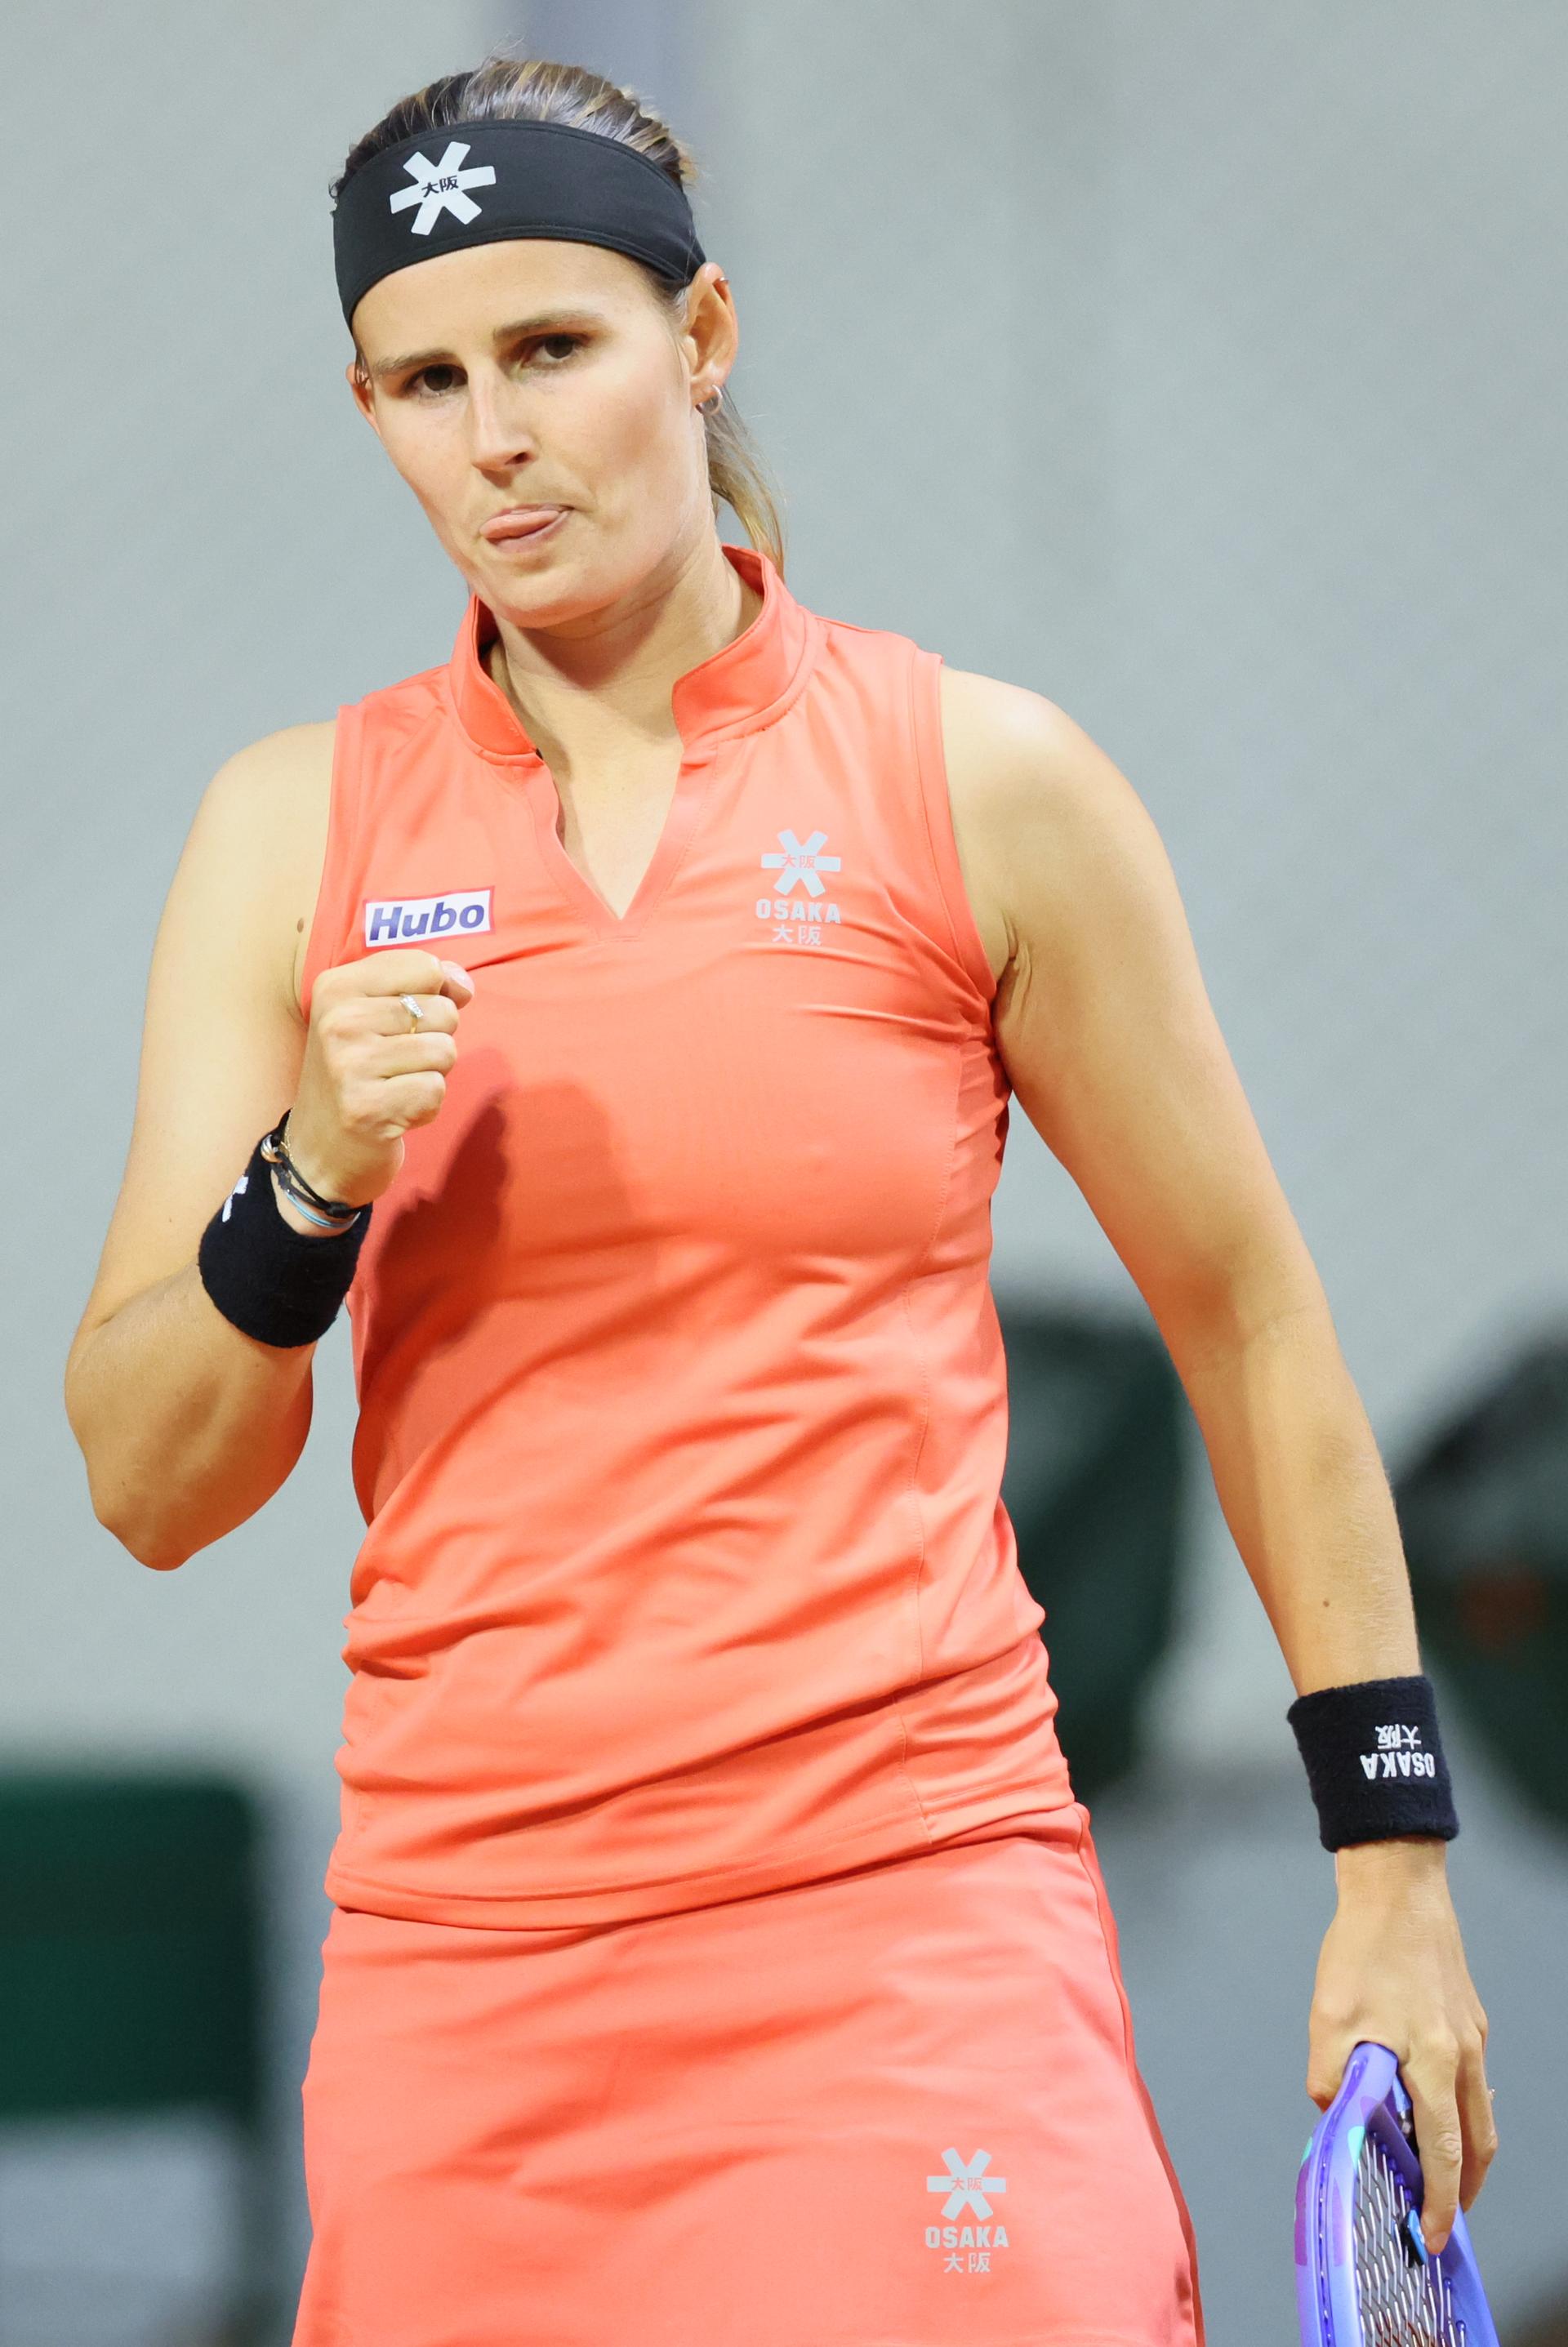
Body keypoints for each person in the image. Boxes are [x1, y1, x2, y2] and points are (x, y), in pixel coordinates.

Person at [62, 51, 1495, 2347]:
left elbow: (1250, 1315)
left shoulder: (981, 782)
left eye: (553, 348)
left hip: (909, 1926)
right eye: (425, 380)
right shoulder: (286, 835)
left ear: (698, 341)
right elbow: (148, 1472)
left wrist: (1395, 1863)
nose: (494, 437)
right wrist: (304, 1178)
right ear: (369, 409)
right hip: (476, 1976)